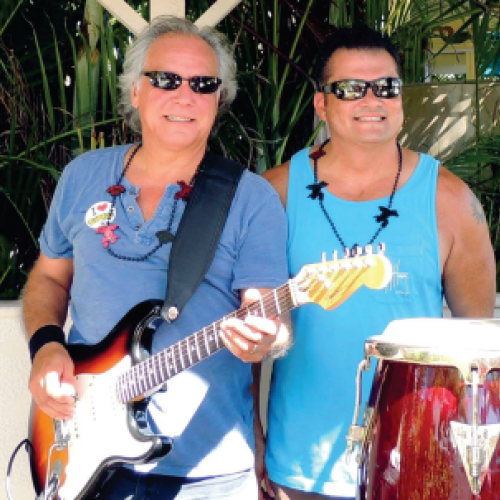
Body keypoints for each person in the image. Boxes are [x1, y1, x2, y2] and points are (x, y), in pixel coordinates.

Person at [23, 16, 291, 500]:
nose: (184, 96)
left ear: (219, 101)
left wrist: (261, 340)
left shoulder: (250, 198)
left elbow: (264, 313)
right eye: (165, 79)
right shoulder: (83, 176)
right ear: (136, 92)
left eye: (203, 84)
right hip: (83, 455)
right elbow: (48, 276)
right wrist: (46, 346)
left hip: (206, 470)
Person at [261, 24, 496, 500]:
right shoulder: (275, 193)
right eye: (350, 89)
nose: (372, 100)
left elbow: (479, 352)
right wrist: (253, 440)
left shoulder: (450, 200)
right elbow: (250, 328)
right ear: (321, 104)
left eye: (386, 87)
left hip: (417, 463)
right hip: (300, 465)